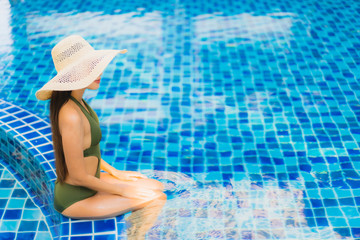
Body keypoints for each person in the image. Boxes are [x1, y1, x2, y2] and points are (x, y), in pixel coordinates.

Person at [36, 35, 166, 219]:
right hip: (75, 198)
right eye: (90, 67)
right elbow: (76, 177)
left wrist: (116, 173)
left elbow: (88, 153)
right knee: (157, 198)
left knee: (156, 186)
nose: (99, 72)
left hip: (90, 184)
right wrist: (122, 190)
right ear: (73, 73)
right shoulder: (70, 115)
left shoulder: (78, 103)